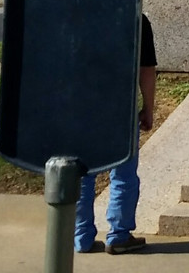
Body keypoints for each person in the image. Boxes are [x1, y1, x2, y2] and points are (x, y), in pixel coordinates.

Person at [74, 13, 157, 255]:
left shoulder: (79, 14)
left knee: (82, 173)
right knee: (123, 173)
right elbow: (147, 70)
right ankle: (119, 236)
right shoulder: (135, 18)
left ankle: (81, 237)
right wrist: (149, 108)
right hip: (120, 106)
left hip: (79, 105)